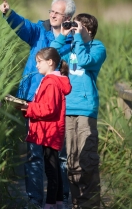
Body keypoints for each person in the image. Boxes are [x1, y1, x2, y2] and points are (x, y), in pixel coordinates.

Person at [0, 0, 76, 208]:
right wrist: (8, 13)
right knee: (34, 153)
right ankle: (34, 199)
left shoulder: (73, 42)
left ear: (67, 17)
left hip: (59, 104)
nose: (51, 14)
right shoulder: (39, 31)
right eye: (51, 10)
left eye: (57, 12)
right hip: (34, 100)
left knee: (59, 156)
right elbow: (23, 27)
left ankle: (62, 197)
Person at [50, 13, 107, 208]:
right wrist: (62, 35)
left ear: (88, 30)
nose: (74, 30)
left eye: (78, 27)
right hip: (68, 109)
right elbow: (51, 57)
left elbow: (83, 61)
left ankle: (89, 204)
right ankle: (77, 203)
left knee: (87, 159)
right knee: (72, 161)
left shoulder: (97, 48)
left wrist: (78, 37)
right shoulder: (70, 47)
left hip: (85, 110)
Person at [20, 47, 71, 209]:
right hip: (50, 130)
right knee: (53, 167)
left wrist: (28, 109)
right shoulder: (52, 81)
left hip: (49, 132)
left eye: (39, 62)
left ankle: (49, 204)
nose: (36, 66)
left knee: (51, 170)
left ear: (50, 62)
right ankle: (58, 202)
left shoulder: (51, 82)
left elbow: (49, 108)